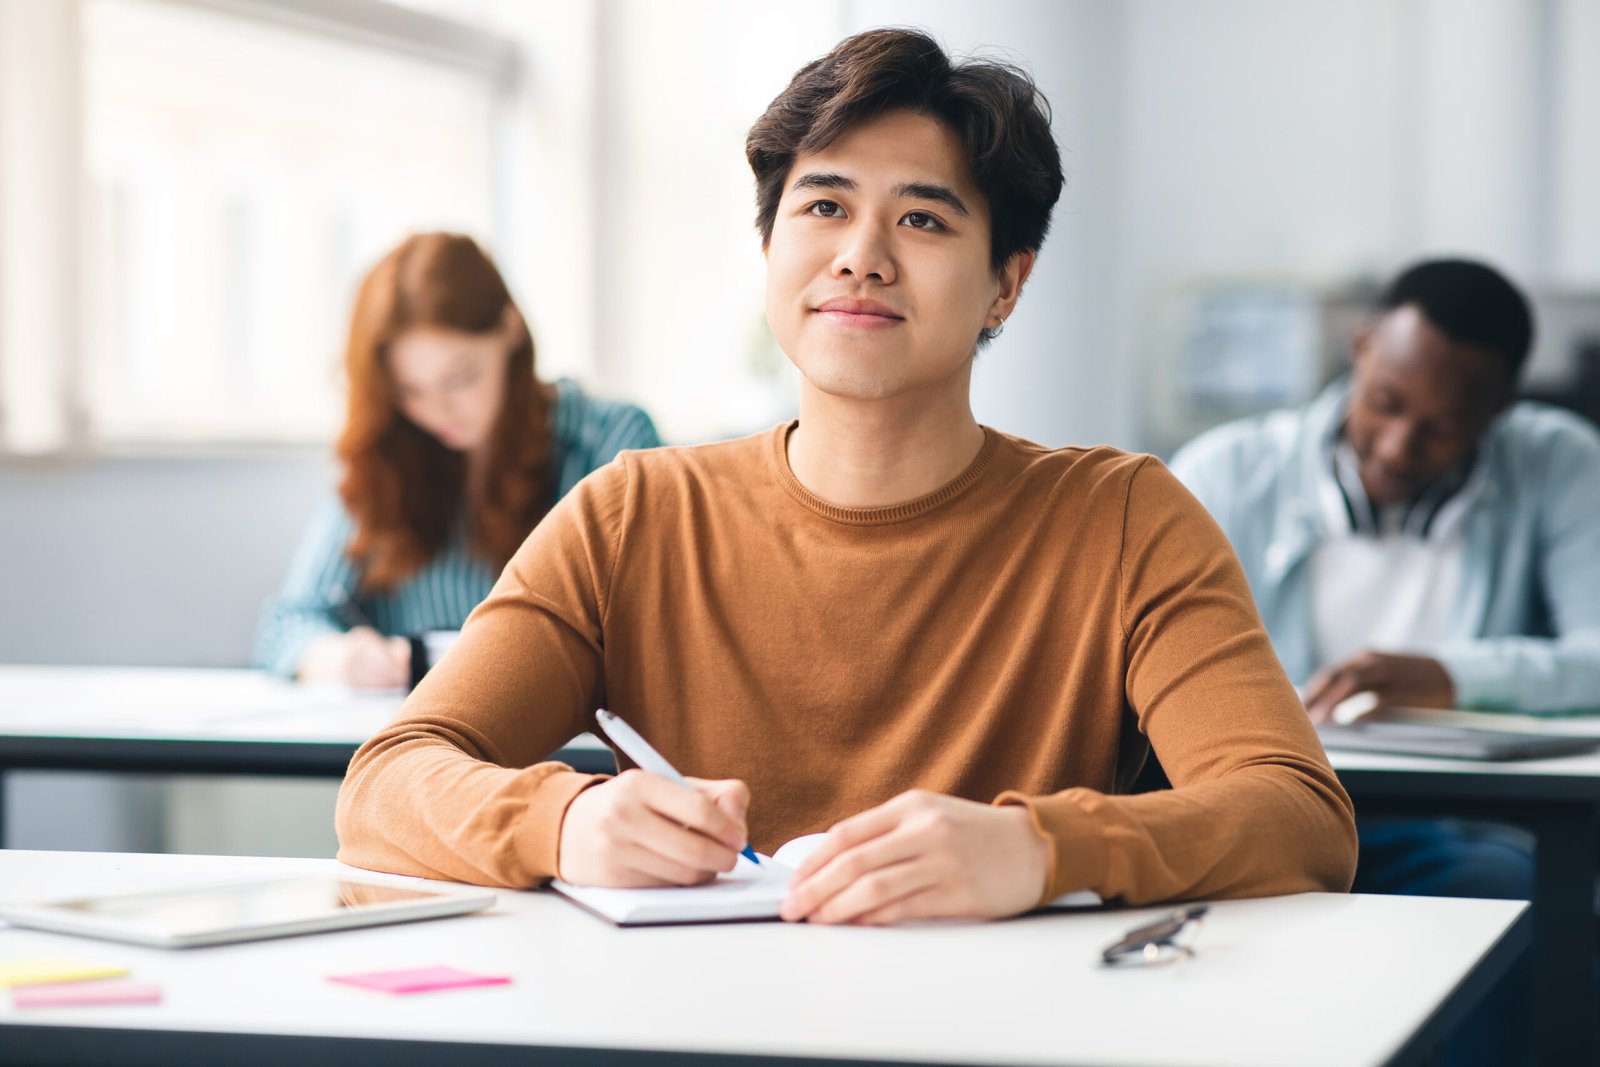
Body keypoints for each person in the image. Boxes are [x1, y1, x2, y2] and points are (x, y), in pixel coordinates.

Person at [337, 29, 1355, 922]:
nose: (860, 256)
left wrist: (1045, 849)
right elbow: (385, 784)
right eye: (823, 206)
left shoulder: (1123, 517)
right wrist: (564, 819)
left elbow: (1297, 814)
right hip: (684, 1030)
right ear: (770, 246)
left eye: (922, 219)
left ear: (1006, 282)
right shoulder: (631, 512)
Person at [1170, 258, 1600, 1067]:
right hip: (1259, 815)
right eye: (1386, 404)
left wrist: (1449, 674)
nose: (1401, 446)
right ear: (1361, 348)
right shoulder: (1224, 471)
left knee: (1513, 890)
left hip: (1448, 826)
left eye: (1443, 426)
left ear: (1501, 410)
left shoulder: (1558, 463)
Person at [256, 233, 660, 687]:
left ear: (509, 329)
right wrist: (338, 658)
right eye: (410, 391)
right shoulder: (388, 453)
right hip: (422, 749)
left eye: (460, 378)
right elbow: (287, 624)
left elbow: (654, 627)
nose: (437, 411)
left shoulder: (609, 439)